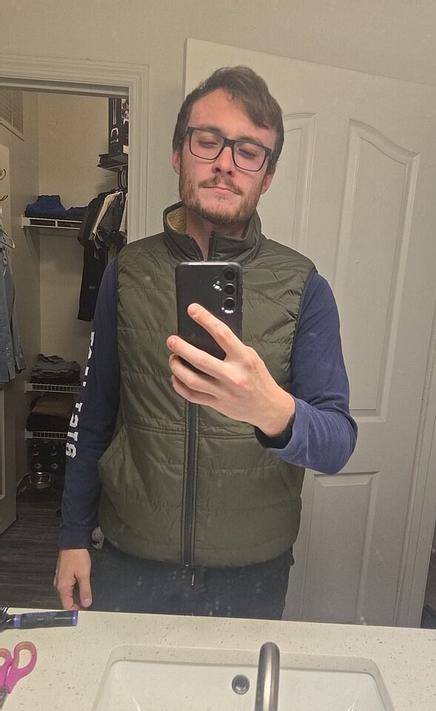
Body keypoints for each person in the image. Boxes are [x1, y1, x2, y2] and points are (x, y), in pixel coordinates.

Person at [54, 66, 357, 619]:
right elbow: (92, 414)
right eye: (208, 140)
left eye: (249, 151)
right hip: (130, 560)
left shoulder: (304, 286)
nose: (225, 163)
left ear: (267, 176)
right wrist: (72, 536)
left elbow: (337, 443)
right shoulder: (127, 272)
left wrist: (272, 411)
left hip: (252, 573)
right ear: (178, 154)